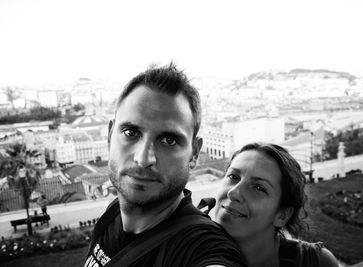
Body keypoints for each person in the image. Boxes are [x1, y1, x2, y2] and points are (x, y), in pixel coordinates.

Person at [84, 64, 246, 267]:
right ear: (109, 136)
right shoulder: (114, 213)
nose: (143, 159)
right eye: (130, 133)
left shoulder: (202, 248)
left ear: (194, 153)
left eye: (168, 140)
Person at [214, 143, 339, 267]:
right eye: (233, 176)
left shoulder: (317, 262)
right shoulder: (195, 254)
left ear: (282, 215)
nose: (233, 193)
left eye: (258, 188)